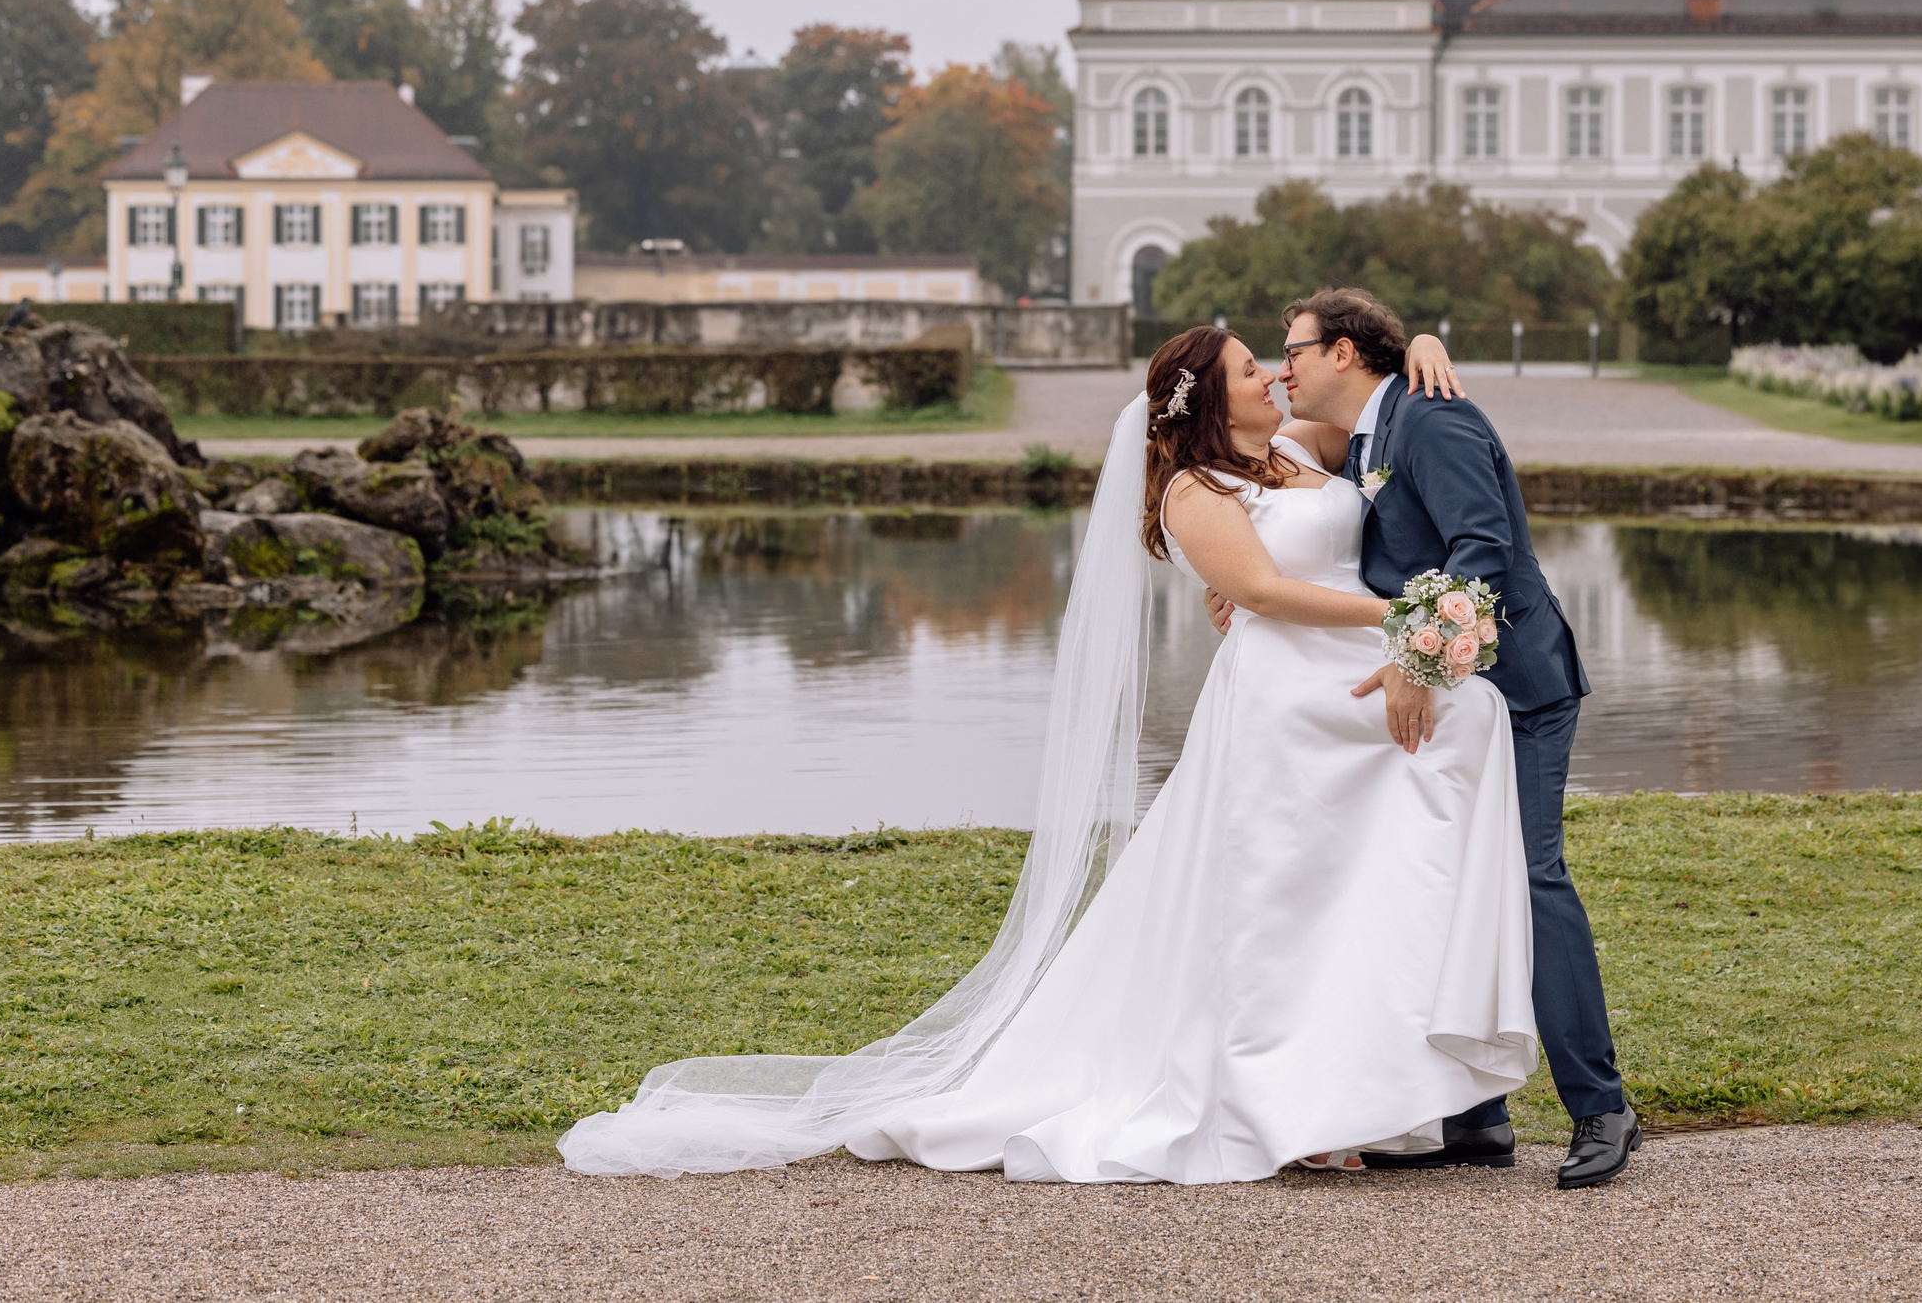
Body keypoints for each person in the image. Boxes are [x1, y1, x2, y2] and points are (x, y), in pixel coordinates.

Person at [559, 326, 1535, 1183]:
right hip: (1288, 696)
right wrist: (1404, 616)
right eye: (1250, 369)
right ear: (1210, 396)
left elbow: (1373, 403)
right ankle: (1284, 1102)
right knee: (1283, 892)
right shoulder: (1195, 491)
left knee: (1383, 851)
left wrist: (1417, 346)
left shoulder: (1295, 446)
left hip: (1353, 674)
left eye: (1270, 362)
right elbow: (1263, 593)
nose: (1273, 376)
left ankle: (1389, 1079)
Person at [1238, 286, 1636, 1190]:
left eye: (1293, 349)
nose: (1281, 366)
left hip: (1515, 688)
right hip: (1455, 704)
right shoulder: (1367, 434)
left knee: (1529, 879)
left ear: (1343, 352)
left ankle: (1603, 1106)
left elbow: (1481, 547)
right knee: (1447, 888)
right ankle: (1475, 1117)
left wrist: (1418, 657)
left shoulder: (1432, 418)